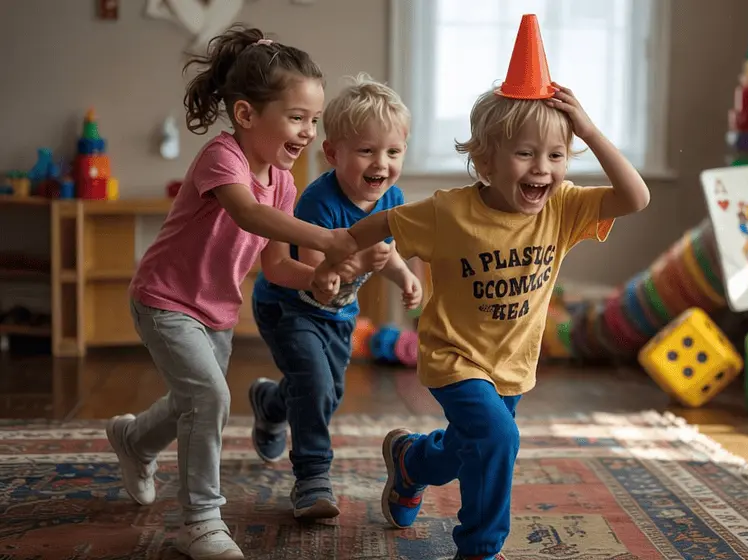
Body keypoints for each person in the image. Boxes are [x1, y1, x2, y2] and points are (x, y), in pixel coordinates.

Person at [331, 72, 650, 558]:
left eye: (556, 155)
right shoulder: (448, 212)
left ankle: (412, 461)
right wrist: (333, 258)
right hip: (454, 357)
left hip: (512, 364)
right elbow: (378, 224)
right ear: (485, 160)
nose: (542, 168)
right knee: (499, 439)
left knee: (471, 447)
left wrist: (586, 129)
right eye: (525, 153)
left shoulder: (563, 207)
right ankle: (480, 548)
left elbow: (636, 197)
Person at [103, 24, 352, 560]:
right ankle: (201, 520)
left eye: (314, 119)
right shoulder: (223, 158)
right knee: (210, 398)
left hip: (214, 313)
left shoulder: (284, 182)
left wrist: (317, 279)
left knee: (189, 402)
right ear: (245, 115)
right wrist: (329, 238)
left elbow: (277, 267)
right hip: (164, 299)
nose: (309, 131)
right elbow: (248, 213)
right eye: (297, 117)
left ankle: (132, 440)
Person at [247, 73, 423, 520]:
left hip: (339, 316)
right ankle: (312, 478)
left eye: (392, 152)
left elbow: (387, 252)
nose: (380, 163)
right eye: (366, 150)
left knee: (327, 391)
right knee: (315, 384)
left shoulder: (392, 198)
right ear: (333, 153)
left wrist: (403, 277)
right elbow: (320, 280)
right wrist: (364, 264)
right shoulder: (318, 203)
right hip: (292, 305)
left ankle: (270, 404)